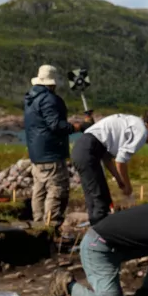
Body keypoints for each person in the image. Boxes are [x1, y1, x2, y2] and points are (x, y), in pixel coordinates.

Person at [24, 65, 93, 229]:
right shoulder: (49, 99)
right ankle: (51, 227)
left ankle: (38, 226)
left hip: (37, 155)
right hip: (52, 154)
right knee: (57, 189)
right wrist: (80, 126)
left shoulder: (30, 99)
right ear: (51, 83)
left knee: (40, 190)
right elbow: (56, 125)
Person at [72, 112, 148, 226]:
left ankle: (95, 230)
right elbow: (120, 161)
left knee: (97, 199)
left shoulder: (133, 121)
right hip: (88, 151)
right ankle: (99, 236)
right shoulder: (142, 132)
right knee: (100, 202)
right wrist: (128, 185)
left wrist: (120, 180)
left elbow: (107, 159)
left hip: (82, 149)